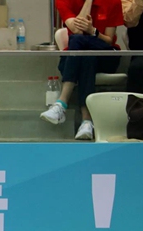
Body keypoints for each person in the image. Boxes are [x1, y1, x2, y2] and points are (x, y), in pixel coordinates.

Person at [41, 0, 124, 140]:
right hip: (80, 55)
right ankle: (87, 121)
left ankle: (61, 103)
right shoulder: (63, 1)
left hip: (105, 54)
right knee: (86, 54)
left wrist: (93, 31)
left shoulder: (113, 2)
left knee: (78, 41)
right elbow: (77, 29)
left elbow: (109, 40)